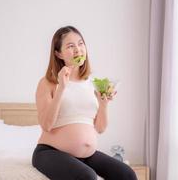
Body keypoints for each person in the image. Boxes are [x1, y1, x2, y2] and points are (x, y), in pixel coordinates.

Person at [32, 26, 137, 180]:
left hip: (87, 156)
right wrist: (61, 87)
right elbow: (46, 125)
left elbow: (100, 128)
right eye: (70, 46)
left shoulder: (92, 83)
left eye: (81, 44)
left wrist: (103, 104)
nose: (78, 50)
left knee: (127, 174)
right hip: (49, 152)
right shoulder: (48, 83)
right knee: (87, 176)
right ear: (58, 53)